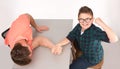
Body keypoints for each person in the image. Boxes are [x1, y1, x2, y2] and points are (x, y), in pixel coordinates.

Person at [52, 6, 118, 69]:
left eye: (87, 19)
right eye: (81, 19)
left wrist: (101, 23)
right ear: (78, 19)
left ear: (92, 20)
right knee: (72, 42)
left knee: (72, 67)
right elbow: (70, 37)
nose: (84, 22)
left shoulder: (95, 31)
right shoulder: (78, 26)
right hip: (83, 48)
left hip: (92, 58)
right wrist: (59, 44)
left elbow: (114, 39)